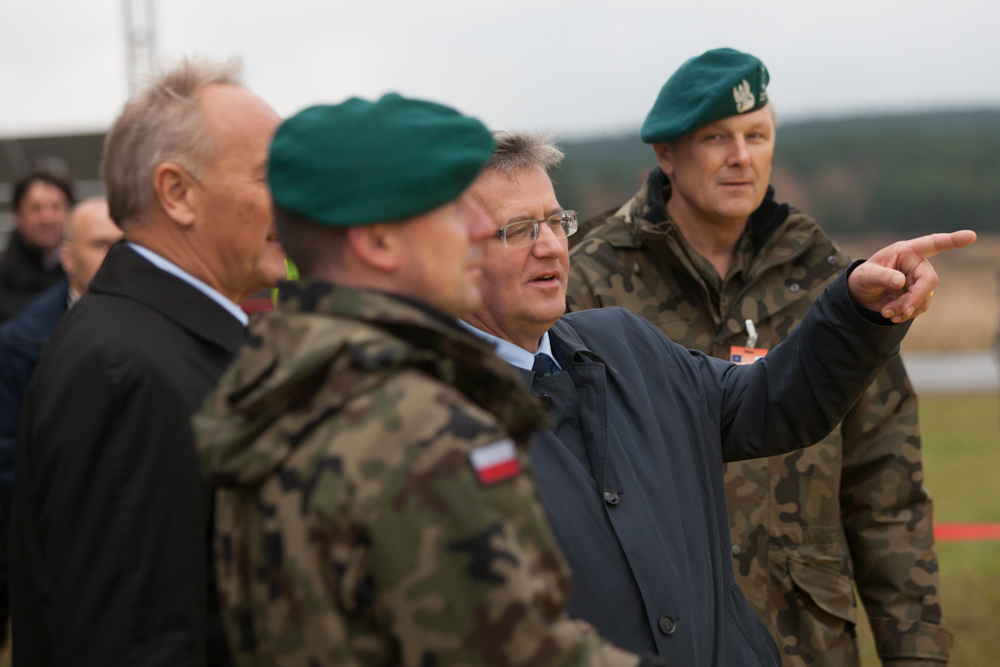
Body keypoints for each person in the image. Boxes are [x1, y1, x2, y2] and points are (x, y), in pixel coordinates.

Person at [459, 129, 973, 666]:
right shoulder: (429, 422)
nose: (549, 245)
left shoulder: (624, 343)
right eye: (519, 230)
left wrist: (856, 309)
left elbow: (768, 402)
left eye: (555, 221)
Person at [194, 95, 659, 667]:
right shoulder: (414, 422)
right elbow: (517, 650)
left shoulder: (273, 379)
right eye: (451, 210)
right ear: (377, 241)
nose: (478, 230)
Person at [566, 48, 951, 667]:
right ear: (666, 154)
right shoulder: (585, 279)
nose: (741, 156)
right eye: (716, 137)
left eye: (756, 135)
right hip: (660, 642)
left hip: (805, 639)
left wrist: (918, 655)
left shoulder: (831, 278)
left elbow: (887, 490)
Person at [11, 58, 285, 667]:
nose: (295, 200)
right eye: (270, 176)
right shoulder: (125, 370)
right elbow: (134, 641)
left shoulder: (159, 340)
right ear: (177, 193)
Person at [0, 168, 74, 322]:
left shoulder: (86, 275)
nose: (47, 218)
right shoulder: (4, 280)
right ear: (17, 216)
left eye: (56, 207)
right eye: (35, 208)